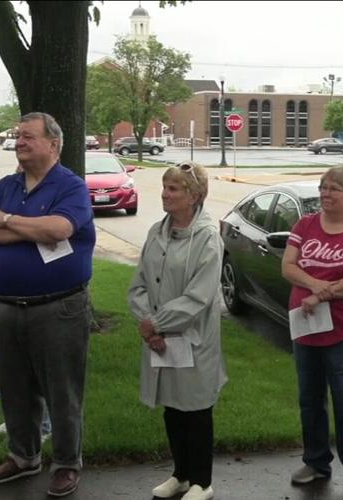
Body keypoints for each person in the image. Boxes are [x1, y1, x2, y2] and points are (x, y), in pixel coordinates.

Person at [0, 112, 95, 498]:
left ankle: (66, 464)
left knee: (62, 391)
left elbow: (59, 229)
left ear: (53, 144)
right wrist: (29, 228)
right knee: (15, 389)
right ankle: (24, 457)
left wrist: (8, 220)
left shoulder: (70, 186)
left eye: (28, 137)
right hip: (5, 307)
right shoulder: (8, 184)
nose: (20, 142)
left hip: (58, 308)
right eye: (18, 137)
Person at [127, 162, 226, 500]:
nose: (165, 194)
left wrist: (157, 323)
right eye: (165, 187)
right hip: (160, 339)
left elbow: (199, 296)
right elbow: (139, 283)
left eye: (174, 189)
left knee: (196, 408)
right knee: (172, 405)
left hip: (193, 338)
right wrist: (147, 325)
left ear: (194, 196)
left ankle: (202, 481)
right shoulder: (157, 231)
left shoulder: (209, 238)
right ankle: (181, 475)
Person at [281, 166, 343, 498]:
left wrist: (321, 294)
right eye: (323, 187)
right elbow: (289, 266)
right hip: (306, 325)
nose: (325, 193)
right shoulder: (305, 224)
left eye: (334, 189)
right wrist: (315, 286)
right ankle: (316, 462)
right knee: (309, 399)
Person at [0, 162, 54, 442]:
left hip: (34, 297)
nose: (20, 173)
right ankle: (17, 420)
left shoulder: (51, 198)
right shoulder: (9, 193)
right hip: (0, 294)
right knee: (10, 368)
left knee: (38, 367)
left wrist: (6, 223)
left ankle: (42, 427)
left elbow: (41, 237)